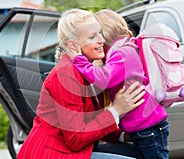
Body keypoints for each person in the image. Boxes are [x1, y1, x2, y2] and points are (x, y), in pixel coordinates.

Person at [17, 8, 145, 159]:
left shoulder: (85, 71)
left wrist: (124, 137)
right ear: (73, 44)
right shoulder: (66, 74)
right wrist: (116, 110)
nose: (101, 40)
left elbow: (91, 123)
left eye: (100, 33)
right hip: (53, 154)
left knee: (139, 152)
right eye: (92, 37)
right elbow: (76, 138)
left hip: (74, 150)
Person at [67, 9, 170, 159]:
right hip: (146, 126)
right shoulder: (126, 48)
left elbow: (103, 79)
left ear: (104, 34)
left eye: (95, 34)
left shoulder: (121, 53)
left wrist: (79, 60)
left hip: (148, 127)